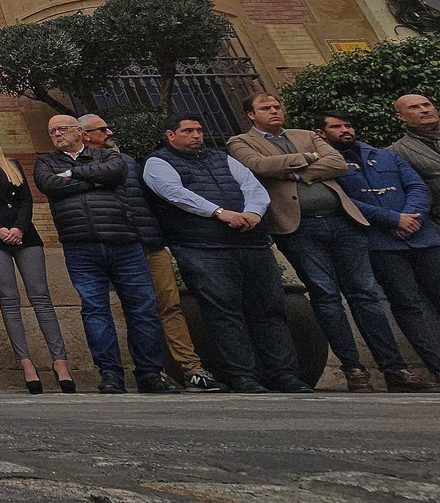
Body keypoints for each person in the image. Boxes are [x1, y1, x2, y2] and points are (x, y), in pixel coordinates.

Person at [228, 93, 428, 393]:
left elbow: (338, 163)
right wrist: (309, 159)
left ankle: (395, 369)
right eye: (265, 108)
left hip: (343, 221)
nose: (274, 111)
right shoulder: (239, 142)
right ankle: (354, 369)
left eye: (277, 106)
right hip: (298, 228)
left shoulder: (306, 134)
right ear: (251, 115)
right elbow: (259, 165)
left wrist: (291, 171)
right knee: (326, 297)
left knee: (365, 296)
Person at [143, 114, 312, 394]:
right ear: (170, 136)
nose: (196, 135)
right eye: (187, 131)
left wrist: (253, 213)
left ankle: (284, 374)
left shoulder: (222, 158)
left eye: (198, 129)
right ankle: (243, 375)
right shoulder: (158, 162)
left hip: (252, 243)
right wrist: (220, 213)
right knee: (223, 313)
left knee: (270, 309)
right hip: (203, 247)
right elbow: (174, 193)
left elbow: (253, 187)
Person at [77, 114, 221, 393]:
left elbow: (148, 200)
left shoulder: (130, 161)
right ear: (84, 135)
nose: (109, 131)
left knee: (169, 305)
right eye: (102, 129)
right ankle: (141, 372)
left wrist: (158, 236)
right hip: (115, 246)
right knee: (130, 309)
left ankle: (190, 369)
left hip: (150, 242)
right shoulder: (78, 165)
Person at [33, 114, 172, 395]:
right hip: (79, 243)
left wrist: (73, 174)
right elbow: (49, 185)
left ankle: (150, 373)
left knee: (142, 308)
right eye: (52, 131)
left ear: (80, 132)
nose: (57, 134)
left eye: (62, 129)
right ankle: (110, 373)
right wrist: (95, 181)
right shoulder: (46, 162)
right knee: (95, 309)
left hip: (124, 241)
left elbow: (116, 175)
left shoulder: (108, 156)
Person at [318, 110, 440, 385]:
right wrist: (393, 219)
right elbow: (343, 200)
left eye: (348, 125)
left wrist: (411, 216)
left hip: (423, 236)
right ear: (321, 134)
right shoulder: (329, 165)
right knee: (409, 305)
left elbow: (418, 187)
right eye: (336, 127)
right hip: (380, 243)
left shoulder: (385, 155)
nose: (345, 130)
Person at [0, 124, 73, 395]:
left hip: (25, 235)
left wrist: (19, 228)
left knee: (41, 297)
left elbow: (26, 199)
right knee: (9, 301)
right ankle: (27, 365)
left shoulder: (12, 165)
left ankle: (60, 363)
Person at [390, 94, 440, 218]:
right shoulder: (396, 151)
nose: (424, 110)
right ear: (400, 116)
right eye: (414, 107)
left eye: (427, 105)